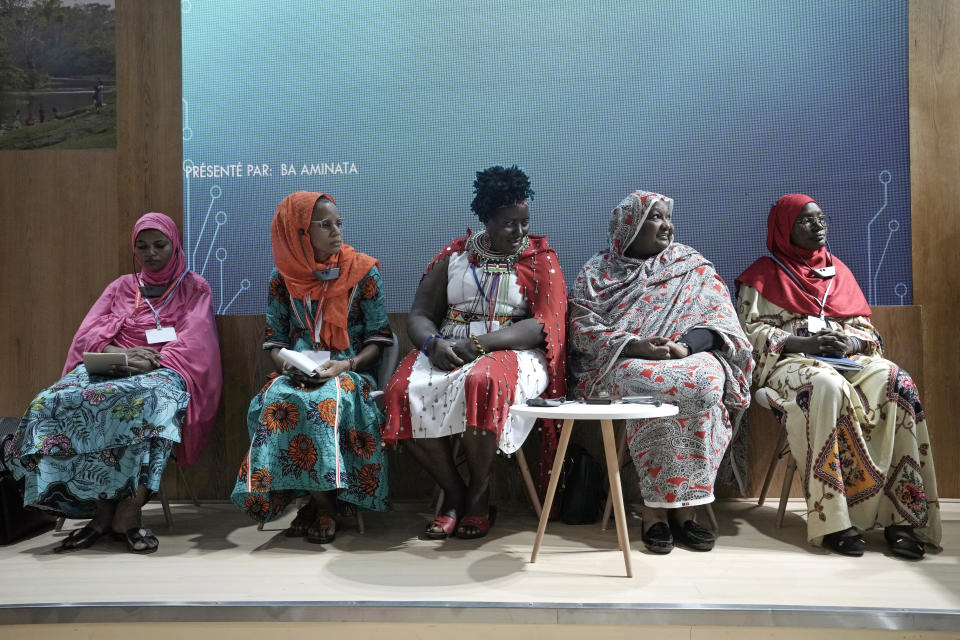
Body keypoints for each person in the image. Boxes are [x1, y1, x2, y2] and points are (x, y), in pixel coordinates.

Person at [1, 213, 222, 554]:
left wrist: (150, 362)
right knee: (51, 401)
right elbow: (88, 333)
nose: (151, 253)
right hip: (112, 365)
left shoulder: (195, 287)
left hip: (163, 368)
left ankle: (128, 513)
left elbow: (197, 341)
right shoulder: (121, 286)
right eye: (142, 246)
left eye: (159, 245)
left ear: (175, 245)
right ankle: (99, 511)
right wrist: (121, 354)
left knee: (151, 403)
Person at [736, 194, 941, 559]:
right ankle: (834, 519)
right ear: (783, 229)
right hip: (792, 363)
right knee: (826, 386)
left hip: (846, 361)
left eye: (821, 218)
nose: (819, 226)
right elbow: (748, 336)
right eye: (806, 220)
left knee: (897, 379)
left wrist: (848, 342)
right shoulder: (761, 276)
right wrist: (804, 342)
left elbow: (869, 335)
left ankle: (903, 517)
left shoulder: (840, 273)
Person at [383, 165, 567, 540]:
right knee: (400, 392)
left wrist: (481, 344)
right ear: (486, 219)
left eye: (524, 222)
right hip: (449, 348)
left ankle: (480, 497)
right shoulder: (455, 254)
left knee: (482, 381)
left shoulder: (541, 258)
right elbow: (420, 315)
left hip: (513, 351)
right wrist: (433, 344)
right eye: (508, 223)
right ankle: (455, 494)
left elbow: (542, 324)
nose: (519, 232)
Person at [569, 190, 753, 554]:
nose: (667, 225)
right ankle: (666, 512)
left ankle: (673, 511)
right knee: (659, 389)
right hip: (624, 360)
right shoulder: (597, 272)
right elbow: (581, 329)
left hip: (688, 354)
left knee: (699, 382)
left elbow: (720, 322)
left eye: (668, 216)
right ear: (630, 225)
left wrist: (684, 347)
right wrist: (635, 345)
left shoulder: (690, 264)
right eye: (656, 217)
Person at [230, 192, 393, 544]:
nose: (336, 231)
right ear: (300, 231)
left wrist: (344, 365)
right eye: (325, 224)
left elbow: (379, 339)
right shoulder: (282, 278)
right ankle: (316, 500)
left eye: (338, 223)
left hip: (349, 369)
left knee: (322, 404)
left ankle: (324, 506)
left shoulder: (363, 271)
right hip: (299, 371)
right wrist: (288, 367)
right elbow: (274, 341)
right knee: (275, 401)